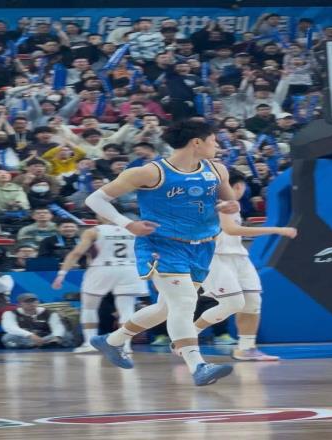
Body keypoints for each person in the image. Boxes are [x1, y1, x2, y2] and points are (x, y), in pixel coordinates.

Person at [85, 120, 239, 386]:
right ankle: (198, 366)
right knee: (185, 302)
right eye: (214, 141)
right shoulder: (150, 172)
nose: (218, 146)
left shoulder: (217, 170)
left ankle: (112, 341)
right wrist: (127, 224)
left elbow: (230, 202)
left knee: (165, 308)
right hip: (162, 245)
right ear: (197, 142)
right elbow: (95, 199)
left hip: (202, 246)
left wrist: (229, 206)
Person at [194, 169, 297, 360]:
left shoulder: (232, 204)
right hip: (215, 257)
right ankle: (188, 334)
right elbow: (231, 229)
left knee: (252, 302)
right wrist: (278, 230)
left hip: (239, 256)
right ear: (238, 186)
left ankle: (246, 348)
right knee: (231, 303)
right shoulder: (218, 203)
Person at [52, 221, 148, 353]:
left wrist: (62, 274)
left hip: (102, 268)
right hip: (130, 268)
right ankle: (125, 345)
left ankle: (89, 343)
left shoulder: (94, 231)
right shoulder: (135, 230)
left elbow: (77, 253)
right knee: (126, 310)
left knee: (89, 308)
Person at [1, 293, 72, 349]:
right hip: (26, 339)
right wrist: (30, 335)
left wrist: (57, 337)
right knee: (8, 337)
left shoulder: (49, 313)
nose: (31, 304)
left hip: (46, 338)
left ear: (38, 302)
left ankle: (46, 344)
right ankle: (35, 345)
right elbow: (10, 328)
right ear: (20, 304)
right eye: (27, 302)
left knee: (65, 334)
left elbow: (57, 326)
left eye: (34, 301)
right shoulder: (10, 313)